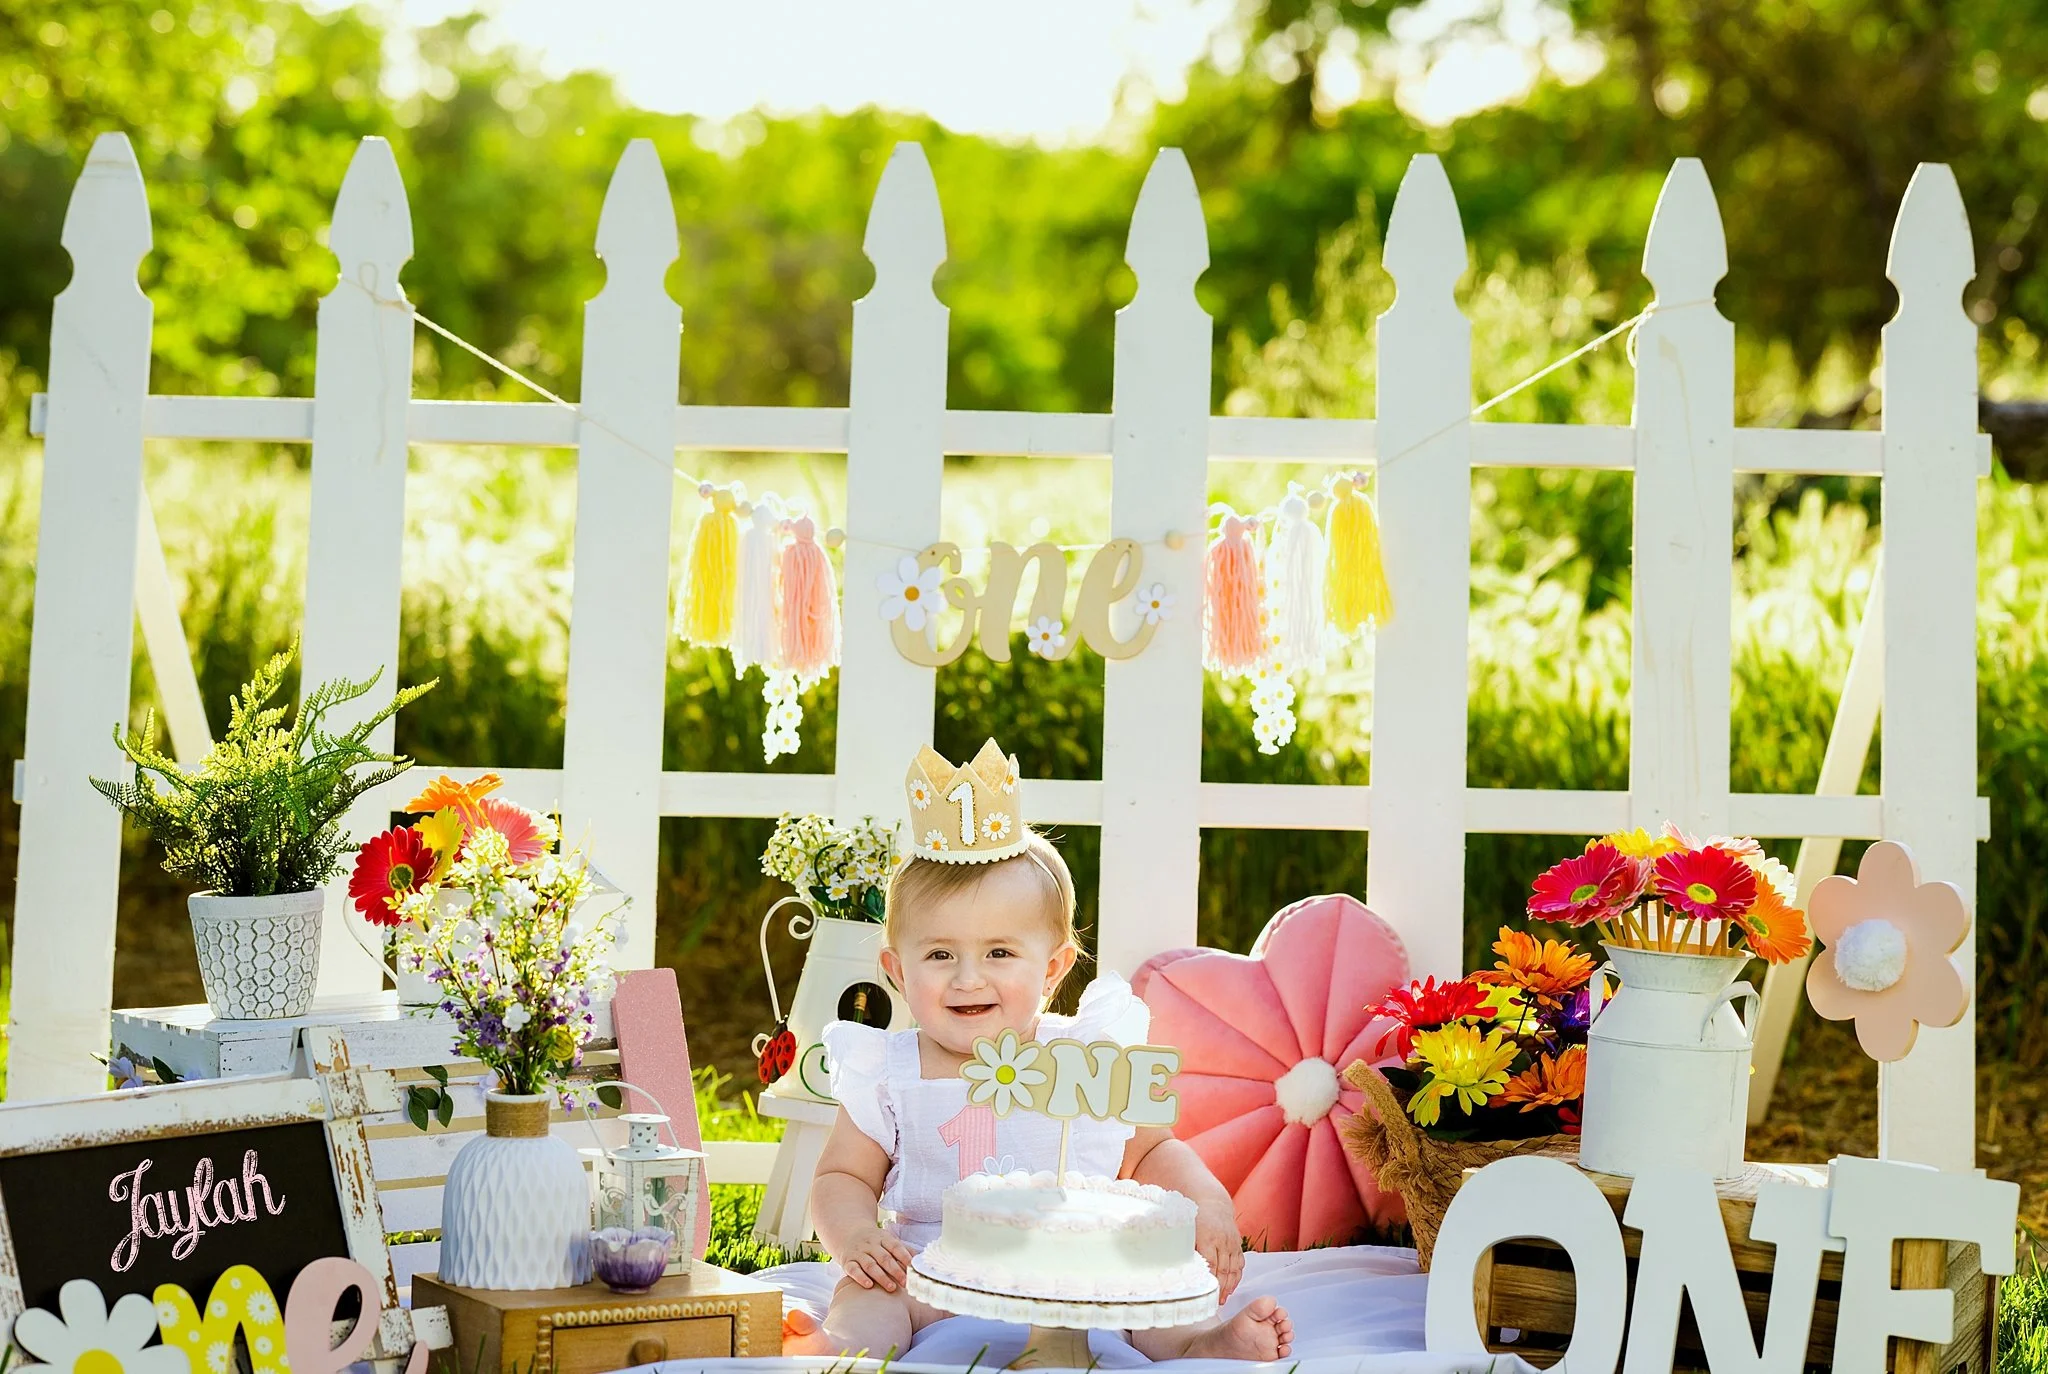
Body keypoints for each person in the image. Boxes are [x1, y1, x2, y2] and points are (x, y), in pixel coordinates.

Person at [782, 740, 1294, 1363]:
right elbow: (841, 1175)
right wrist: (858, 1235)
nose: (968, 978)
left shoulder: (1082, 1056)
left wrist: (1209, 1207)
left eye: (999, 953)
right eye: (940, 955)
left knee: (1154, 1293)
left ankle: (1204, 1344)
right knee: (871, 1298)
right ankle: (840, 1348)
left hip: (1079, 1274)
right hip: (936, 1266)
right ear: (896, 969)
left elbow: (1154, 1150)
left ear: (1052, 969)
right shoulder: (892, 1072)